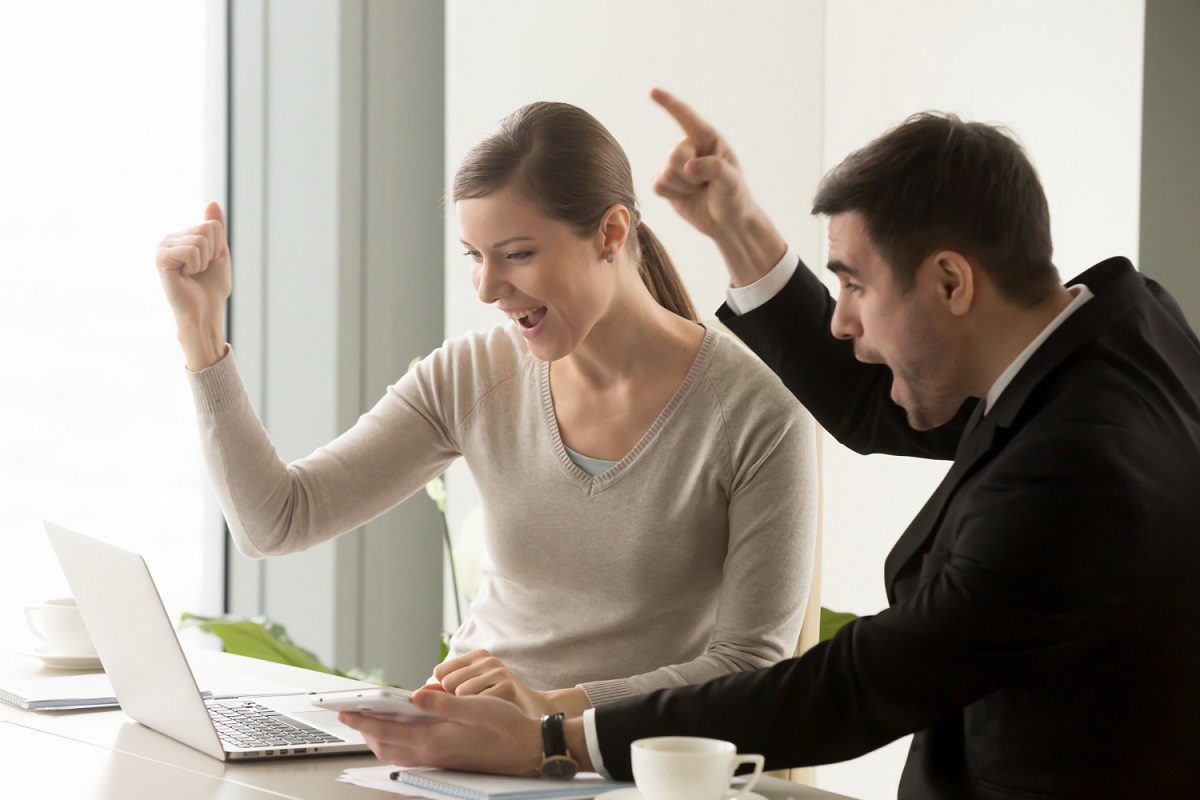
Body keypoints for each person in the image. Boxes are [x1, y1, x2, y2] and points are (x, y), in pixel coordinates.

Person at [338, 90, 1200, 799]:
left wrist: (550, 738)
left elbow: (855, 687)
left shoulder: (1077, 475)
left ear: (950, 281)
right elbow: (881, 404)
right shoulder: (1123, 330)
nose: (842, 322)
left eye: (854, 283)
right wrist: (735, 226)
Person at [154, 101, 817, 720]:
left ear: (611, 234)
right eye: (474, 257)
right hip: (456, 755)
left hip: (622, 770)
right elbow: (277, 521)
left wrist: (549, 708)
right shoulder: (472, 375)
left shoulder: (755, 413)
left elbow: (749, 667)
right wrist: (201, 334)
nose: (488, 288)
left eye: (517, 255)